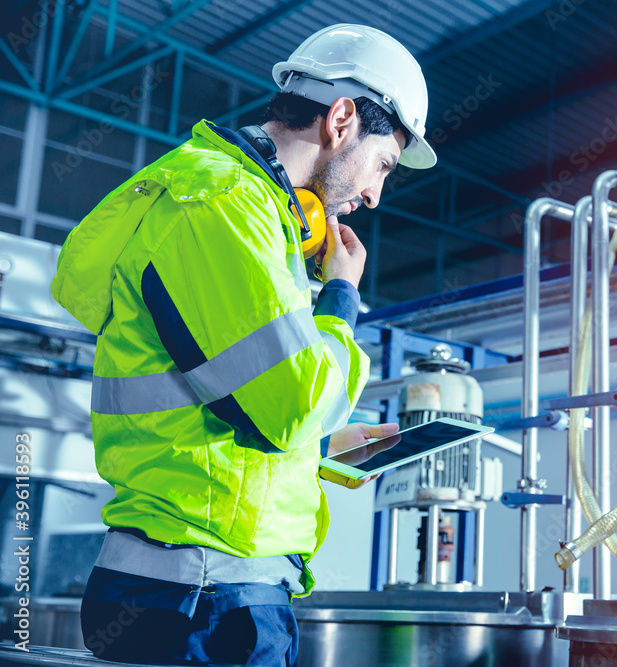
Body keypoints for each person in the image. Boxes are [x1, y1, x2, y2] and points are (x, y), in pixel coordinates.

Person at [50, 24, 436, 666]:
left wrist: (321, 445)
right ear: (341, 118)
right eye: (383, 164)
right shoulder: (225, 206)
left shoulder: (255, 220)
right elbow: (290, 405)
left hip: (205, 588)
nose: (373, 192)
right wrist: (341, 297)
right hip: (200, 597)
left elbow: (227, 410)